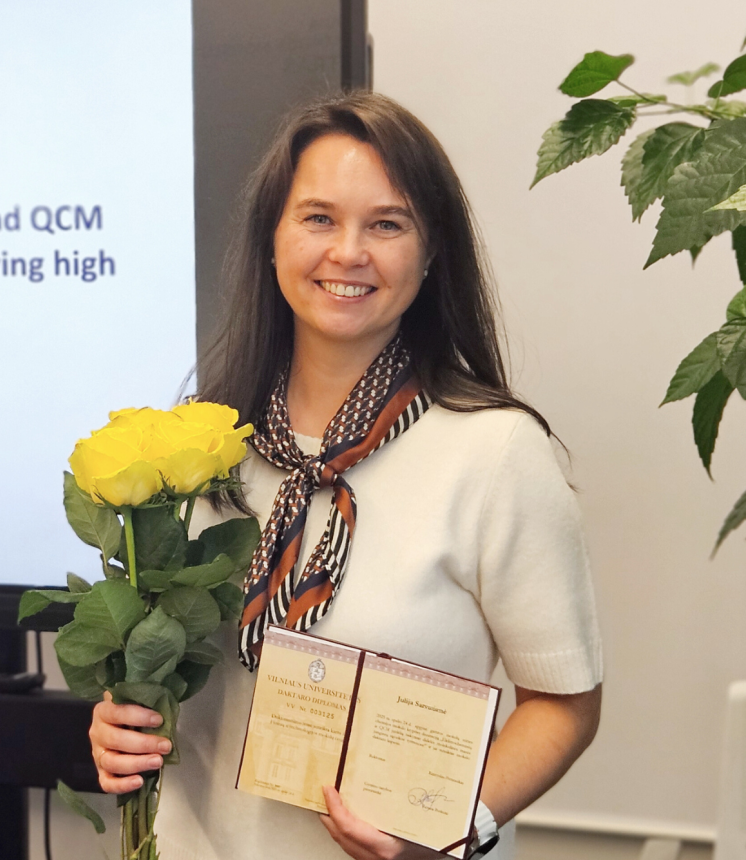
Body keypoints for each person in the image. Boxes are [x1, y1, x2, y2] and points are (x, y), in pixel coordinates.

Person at [87, 92, 603, 860]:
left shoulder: (497, 452)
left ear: (431, 253)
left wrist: (449, 828)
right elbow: (179, 673)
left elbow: (564, 705)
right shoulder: (200, 444)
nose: (348, 252)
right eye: (319, 218)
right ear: (272, 238)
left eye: (387, 225)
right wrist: (119, 726)